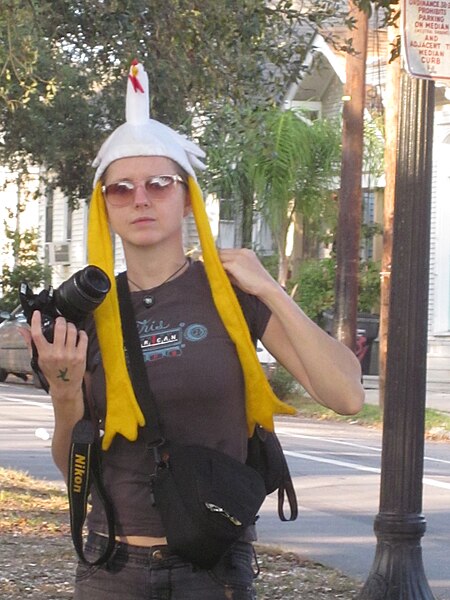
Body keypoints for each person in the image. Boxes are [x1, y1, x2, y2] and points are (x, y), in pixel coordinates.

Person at [28, 60, 364, 600]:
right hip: (110, 569)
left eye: (159, 184)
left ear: (186, 197)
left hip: (212, 570)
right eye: (121, 189)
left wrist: (271, 289)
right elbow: (75, 468)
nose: (141, 198)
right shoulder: (87, 312)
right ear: (104, 206)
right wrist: (65, 397)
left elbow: (346, 395)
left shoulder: (232, 293)